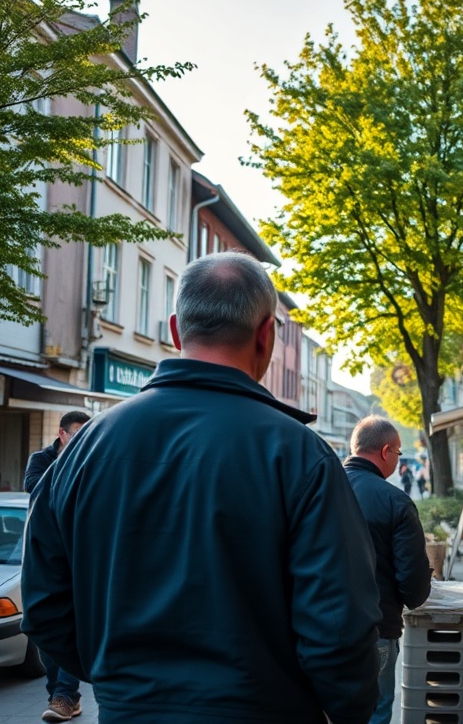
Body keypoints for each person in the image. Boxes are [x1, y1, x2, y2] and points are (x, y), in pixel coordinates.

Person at [21, 252, 382, 724]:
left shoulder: (85, 449)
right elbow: (340, 623)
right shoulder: (300, 455)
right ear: (266, 333)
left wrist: (121, 679)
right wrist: (345, 710)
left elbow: (44, 602)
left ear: (176, 330)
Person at [344, 416, 432, 724]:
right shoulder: (395, 501)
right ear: (385, 451)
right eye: (397, 452)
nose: (397, 458)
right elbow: (413, 585)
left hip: (314, 626)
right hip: (375, 628)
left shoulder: (315, 489)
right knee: (376, 710)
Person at [22, 409, 91, 721]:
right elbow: (36, 488)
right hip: (44, 558)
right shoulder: (42, 459)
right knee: (45, 631)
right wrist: (68, 461)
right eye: (75, 434)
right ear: (62, 434)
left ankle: (65, 697)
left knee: (70, 625)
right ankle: (61, 695)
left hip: (78, 557)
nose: (80, 440)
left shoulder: (91, 457)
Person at [23, 410, 90, 493]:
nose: (82, 440)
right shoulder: (40, 458)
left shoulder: (90, 458)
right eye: (77, 435)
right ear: (62, 433)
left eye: (87, 435)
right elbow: (32, 485)